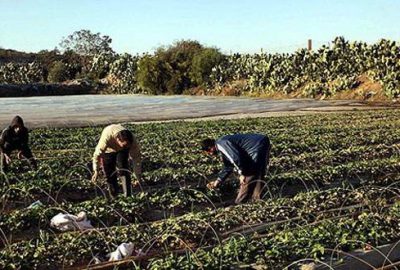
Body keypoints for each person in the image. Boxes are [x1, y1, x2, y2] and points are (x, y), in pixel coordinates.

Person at [201, 133, 271, 204]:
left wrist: (242, 173)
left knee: (249, 174)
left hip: (257, 145)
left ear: (211, 147)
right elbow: (228, 165)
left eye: (209, 152)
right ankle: (257, 200)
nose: (210, 154)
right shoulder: (222, 144)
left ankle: (239, 202)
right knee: (257, 171)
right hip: (261, 141)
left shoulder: (222, 144)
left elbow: (236, 158)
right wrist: (218, 181)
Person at [91, 124, 142, 198]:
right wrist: (96, 170)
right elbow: (97, 155)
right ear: (118, 140)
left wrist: (138, 176)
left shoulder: (131, 140)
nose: (127, 147)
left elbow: (136, 157)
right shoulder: (107, 137)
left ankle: (128, 196)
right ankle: (114, 196)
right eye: (124, 145)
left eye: (128, 145)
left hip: (121, 151)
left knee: (123, 169)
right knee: (109, 172)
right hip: (108, 150)